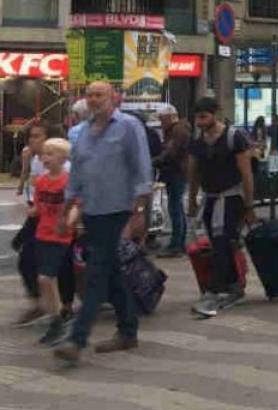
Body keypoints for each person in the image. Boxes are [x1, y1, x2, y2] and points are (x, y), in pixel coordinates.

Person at [54, 81, 152, 365]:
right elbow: (76, 178)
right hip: (93, 211)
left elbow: (142, 168)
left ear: (114, 98)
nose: (94, 100)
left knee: (96, 272)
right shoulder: (81, 133)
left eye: (100, 95)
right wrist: (66, 213)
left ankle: (77, 339)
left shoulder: (129, 126)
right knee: (110, 272)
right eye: (90, 95)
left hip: (119, 210)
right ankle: (128, 331)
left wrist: (140, 210)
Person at [186, 97, 256, 318]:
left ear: (215, 114)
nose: (199, 121)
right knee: (219, 243)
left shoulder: (234, 138)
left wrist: (249, 205)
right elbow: (194, 172)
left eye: (204, 116)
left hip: (231, 198)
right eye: (197, 117)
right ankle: (232, 284)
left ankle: (217, 289)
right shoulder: (198, 142)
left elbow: (246, 173)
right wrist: (192, 199)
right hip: (211, 198)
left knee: (224, 241)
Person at [24, 138, 75, 345]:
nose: (45, 158)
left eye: (51, 154)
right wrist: (31, 211)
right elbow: (38, 207)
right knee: (45, 279)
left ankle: (59, 320)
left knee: (46, 278)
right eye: (44, 154)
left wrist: (69, 222)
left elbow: (75, 206)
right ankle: (58, 317)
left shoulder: (68, 181)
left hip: (60, 236)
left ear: (63, 158)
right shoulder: (42, 182)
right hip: (42, 234)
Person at [153, 104, 192, 258]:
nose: (161, 122)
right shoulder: (177, 129)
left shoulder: (178, 130)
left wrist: (155, 161)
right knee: (176, 207)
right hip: (176, 172)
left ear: (170, 117)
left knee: (175, 208)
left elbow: (171, 152)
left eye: (162, 119)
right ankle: (178, 243)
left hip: (176, 173)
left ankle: (176, 244)